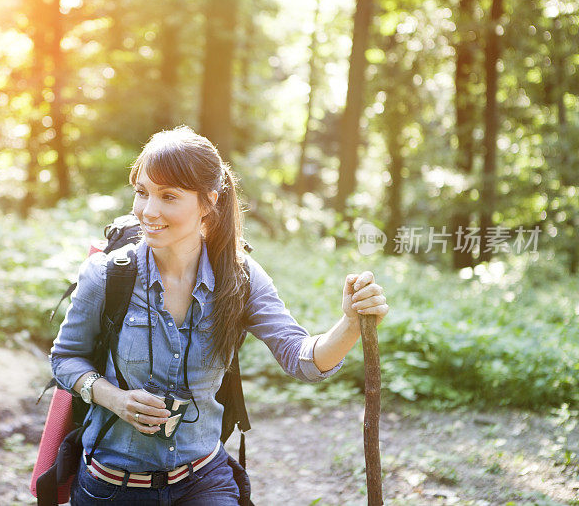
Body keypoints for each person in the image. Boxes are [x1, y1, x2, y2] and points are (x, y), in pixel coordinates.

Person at [50, 126, 389, 505]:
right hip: (112, 486)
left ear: (208, 202)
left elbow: (303, 360)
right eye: (142, 192)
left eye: (169, 196)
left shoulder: (239, 278)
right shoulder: (108, 275)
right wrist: (113, 398)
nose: (149, 210)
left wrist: (350, 323)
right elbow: (64, 358)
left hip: (202, 481)